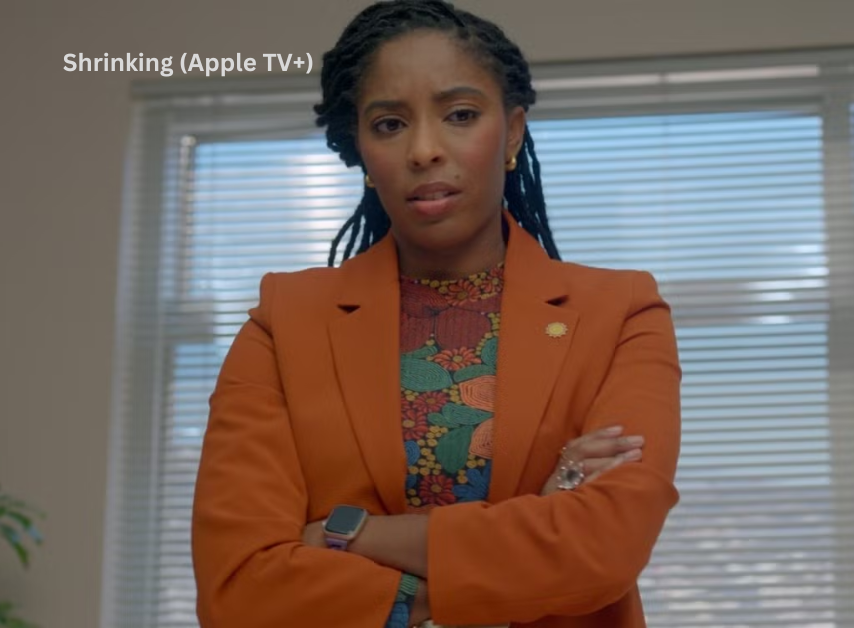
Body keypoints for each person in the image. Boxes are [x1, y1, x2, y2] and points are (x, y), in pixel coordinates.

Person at [189, 1, 682, 626]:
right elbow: (239, 590)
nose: (424, 149)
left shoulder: (620, 312)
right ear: (360, 149)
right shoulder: (284, 324)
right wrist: (525, 538)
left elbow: (603, 546)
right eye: (390, 124)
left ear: (511, 132)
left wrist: (349, 534)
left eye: (460, 115)